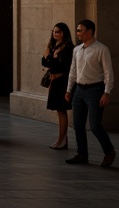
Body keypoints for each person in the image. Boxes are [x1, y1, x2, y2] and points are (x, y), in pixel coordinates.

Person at [65, 19, 116, 167]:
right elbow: (73, 71)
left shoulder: (101, 49)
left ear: (89, 32)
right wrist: (69, 90)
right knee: (78, 125)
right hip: (79, 90)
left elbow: (108, 73)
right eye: (77, 30)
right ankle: (82, 154)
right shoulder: (77, 50)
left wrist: (106, 92)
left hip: (95, 90)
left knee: (94, 125)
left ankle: (109, 151)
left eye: (80, 30)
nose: (77, 33)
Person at [42, 22, 74, 150]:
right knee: (59, 111)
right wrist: (47, 53)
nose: (55, 34)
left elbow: (66, 67)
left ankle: (61, 140)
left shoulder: (69, 48)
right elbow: (45, 63)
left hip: (63, 82)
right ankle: (63, 140)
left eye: (58, 32)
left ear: (64, 33)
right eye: (54, 32)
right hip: (54, 82)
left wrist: (51, 61)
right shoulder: (54, 46)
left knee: (62, 111)